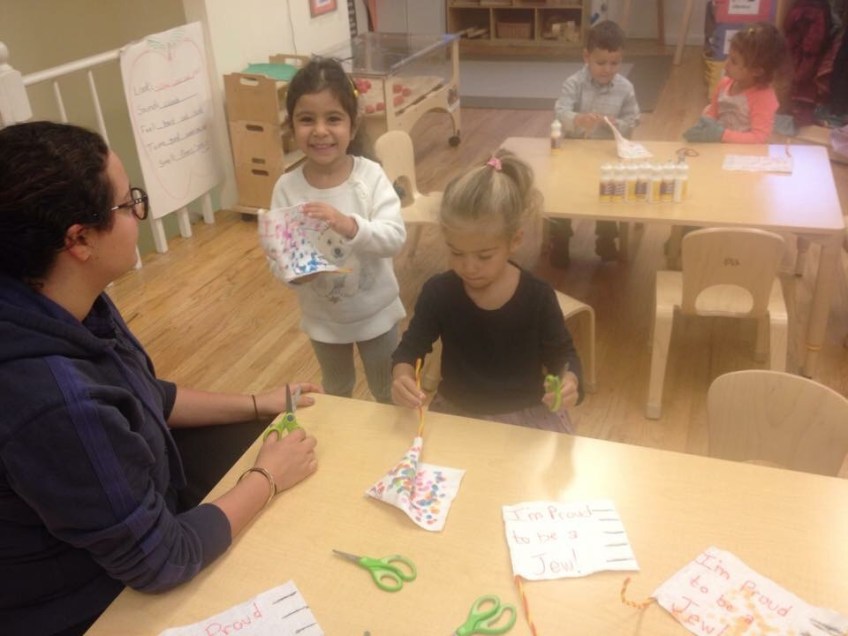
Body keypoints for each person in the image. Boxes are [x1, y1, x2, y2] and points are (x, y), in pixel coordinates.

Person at [0, 121, 320, 636]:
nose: (139, 213)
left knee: (276, 443)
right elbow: (163, 560)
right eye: (128, 204)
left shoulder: (63, 299)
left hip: (131, 513)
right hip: (84, 602)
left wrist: (256, 402)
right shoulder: (55, 401)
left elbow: (140, 395)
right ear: (79, 240)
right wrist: (267, 478)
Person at [391, 150, 583, 433]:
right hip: (458, 411)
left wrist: (569, 382)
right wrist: (402, 375)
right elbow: (410, 349)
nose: (469, 267)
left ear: (514, 240)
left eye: (484, 256)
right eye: (456, 252)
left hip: (527, 415)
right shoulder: (439, 292)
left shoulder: (538, 297)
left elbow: (563, 356)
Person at [269, 57, 406, 404]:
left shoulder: (370, 176)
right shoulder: (286, 188)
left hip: (377, 314)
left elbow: (394, 237)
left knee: (387, 391)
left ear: (353, 125)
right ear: (291, 126)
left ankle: (394, 439)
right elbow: (278, 257)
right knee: (337, 391)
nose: (320, 130)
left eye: (333, 118)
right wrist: (296, 274)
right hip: (324, 320)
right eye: (306, 119)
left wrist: (350, 225)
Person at [552, 20, 641, 266]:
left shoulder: (625, 88)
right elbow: (560, 112)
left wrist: (616, 123)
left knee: (609, 192)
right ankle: (560, 238)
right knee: (562, 193)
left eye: (615, 63)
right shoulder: (574, 83)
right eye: (601, 63)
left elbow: (633, 119)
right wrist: (578, 119)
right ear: (586, 57)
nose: (608, 69)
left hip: (607, 152)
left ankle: (606, 238)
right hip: (573, 151)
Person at [684, 22, 788, 144]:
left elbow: (759, 138)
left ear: (757, 71)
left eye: (734, 61)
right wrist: (705, 125)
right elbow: (713, 111)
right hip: (720, 146)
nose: (726, 64)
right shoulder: (724, 84)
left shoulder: (763, 97)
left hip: (744, 152)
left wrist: (721, 134)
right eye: (728, 57)